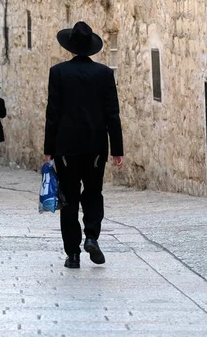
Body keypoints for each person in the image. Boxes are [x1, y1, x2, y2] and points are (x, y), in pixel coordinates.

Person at [44, 21, 124, 269]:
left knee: (68, 198)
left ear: (70, 46)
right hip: (95, 147)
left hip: (66, 147)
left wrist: (48, 149)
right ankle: (91, 235)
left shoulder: (58, 73)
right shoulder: (104, 74)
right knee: (93, 192)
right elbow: (113, 114)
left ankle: (73, 254)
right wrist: (117, 149)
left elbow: (53, 113)